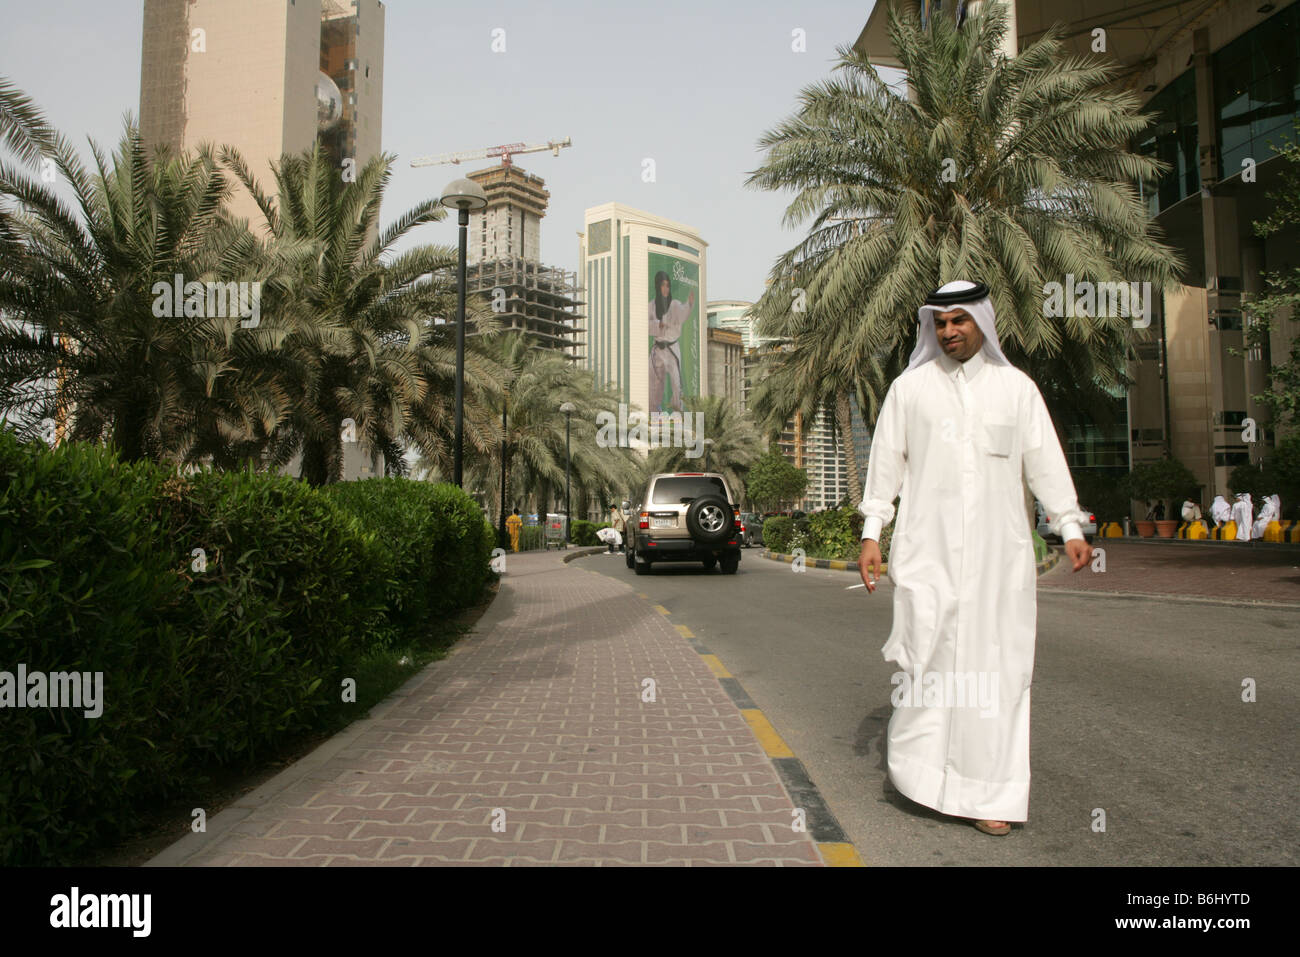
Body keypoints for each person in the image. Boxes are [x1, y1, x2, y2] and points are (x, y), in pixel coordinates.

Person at [856, 279, 1093, 837]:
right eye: (939, 323)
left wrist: (1070, 523)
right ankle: (919, 778)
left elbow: (1045, 463)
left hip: (998, 561)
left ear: (982, 323)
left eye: (959, 321)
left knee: (997, 671)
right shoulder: (909, 390)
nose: (948, 332)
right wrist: (872, 534)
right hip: (927, 553)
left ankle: (989, 794)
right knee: (928, 664)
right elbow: (885, 467)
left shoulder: (1017, 389)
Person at [648, 270, 695, 416]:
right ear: (658, 286)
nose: (665, 289)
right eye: (663, 285)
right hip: (658, 349)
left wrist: (690, 303)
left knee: (676, 384)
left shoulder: (674, 304)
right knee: (655, 384)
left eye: (668, 285)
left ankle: (677, 413)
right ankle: (654, 413)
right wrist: (659, 324)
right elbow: (645, 324)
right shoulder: (651, 305)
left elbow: (682, 314)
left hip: (672, 348)